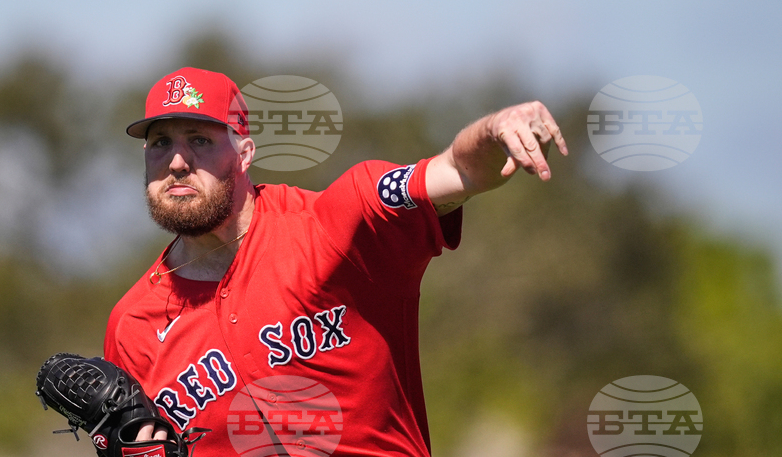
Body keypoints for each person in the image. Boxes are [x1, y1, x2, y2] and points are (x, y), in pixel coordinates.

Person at [104, 66, 568, 456]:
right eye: (160, 142)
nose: (178, 161)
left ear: (245, 153)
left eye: (200, 140)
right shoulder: (132, 327)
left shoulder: (337, 224)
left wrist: (494, 129)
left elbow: (457, 170)